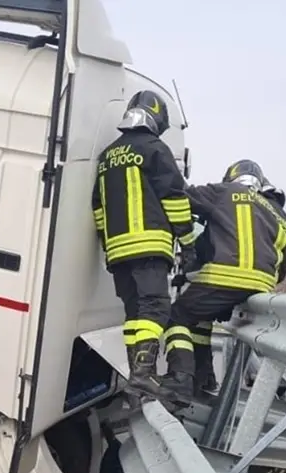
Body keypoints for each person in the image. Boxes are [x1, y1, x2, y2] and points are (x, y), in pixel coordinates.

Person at [160, 159, 286, 406]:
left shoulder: (224, 193)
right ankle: (204, 377)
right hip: (260, 287)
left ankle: (179, 381)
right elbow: (282, 271)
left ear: (232, 177)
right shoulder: (281, 216)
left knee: (177, 317)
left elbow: (182, 195)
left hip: (223, 279)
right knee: (201, 317)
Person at [91, 90, 197, 393]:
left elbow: (98, 207)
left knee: (134, 314)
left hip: (118, 253)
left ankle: (137, 377)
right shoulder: (155, 149)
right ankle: (143, 375)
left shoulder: (107, 156)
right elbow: (175, 198)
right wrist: (188, 243)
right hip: (149, 246)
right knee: (156, 308)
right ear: (156, 118)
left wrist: (108, 244)